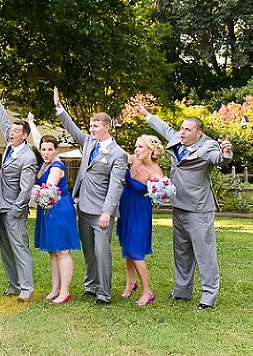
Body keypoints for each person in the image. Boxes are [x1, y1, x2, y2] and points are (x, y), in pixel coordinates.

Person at [136, 105, 233, 310]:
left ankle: (208, 296)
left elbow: (219, 158)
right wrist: (146, 114)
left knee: (204, 253)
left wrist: (226, 151)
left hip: (199, 208)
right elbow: (163, 128)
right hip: (178, 205)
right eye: (182, 128)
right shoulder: (176, 140)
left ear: (198, 133)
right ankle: (182, 291)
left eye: (187, 129)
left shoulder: (208, 147)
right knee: (181, 251)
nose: (182, 132)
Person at [54, 87, 126, 305]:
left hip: (101, 212)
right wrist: (59, 108)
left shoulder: (118, 154)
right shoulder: (89, 143)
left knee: (102, 252)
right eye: (90, 125)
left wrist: (107, 211)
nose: (91, 128)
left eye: (95, 125)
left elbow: (115, 186)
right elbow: (72, 127)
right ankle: (91, 285)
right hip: (83, 207)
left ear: (106, 127)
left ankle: (104, 293)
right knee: (88, 251)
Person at [0, 86, 38, 301]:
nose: (11, 133)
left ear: (24, 136)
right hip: (0, 205)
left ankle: (26, 287)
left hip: (13, 209)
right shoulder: (11, 147)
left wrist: (17, 209)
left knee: (19, 247)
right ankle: (14, 284)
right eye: (11, 131)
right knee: (6, 249)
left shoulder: (28, 157)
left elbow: (26, 188)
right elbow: (4, 123)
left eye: (16, 131)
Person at [28, 120, 81, 305]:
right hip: (48, 208)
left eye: (50, 149)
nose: (46, 152)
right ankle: (55, 288)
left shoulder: (56, 167)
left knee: (62, 251)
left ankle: (64, 291)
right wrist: (31, 123)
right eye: (43, 149)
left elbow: (49, 186)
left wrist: (33, 194)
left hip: (58, 208)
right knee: (53, 250)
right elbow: (37, 140)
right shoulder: (45, 162)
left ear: (56, 149)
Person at [116, 134, 166, 306]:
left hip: (140, 211)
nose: (136, 150)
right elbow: (119, 154)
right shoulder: (134, 160)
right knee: (127, 247)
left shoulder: (156, 173)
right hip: (126, 206)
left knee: (135, 251)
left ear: (151, 150)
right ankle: (131, 283)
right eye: (136, 146)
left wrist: (161, 190)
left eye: (140, 147)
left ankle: (147, 292)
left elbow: (163, 193)